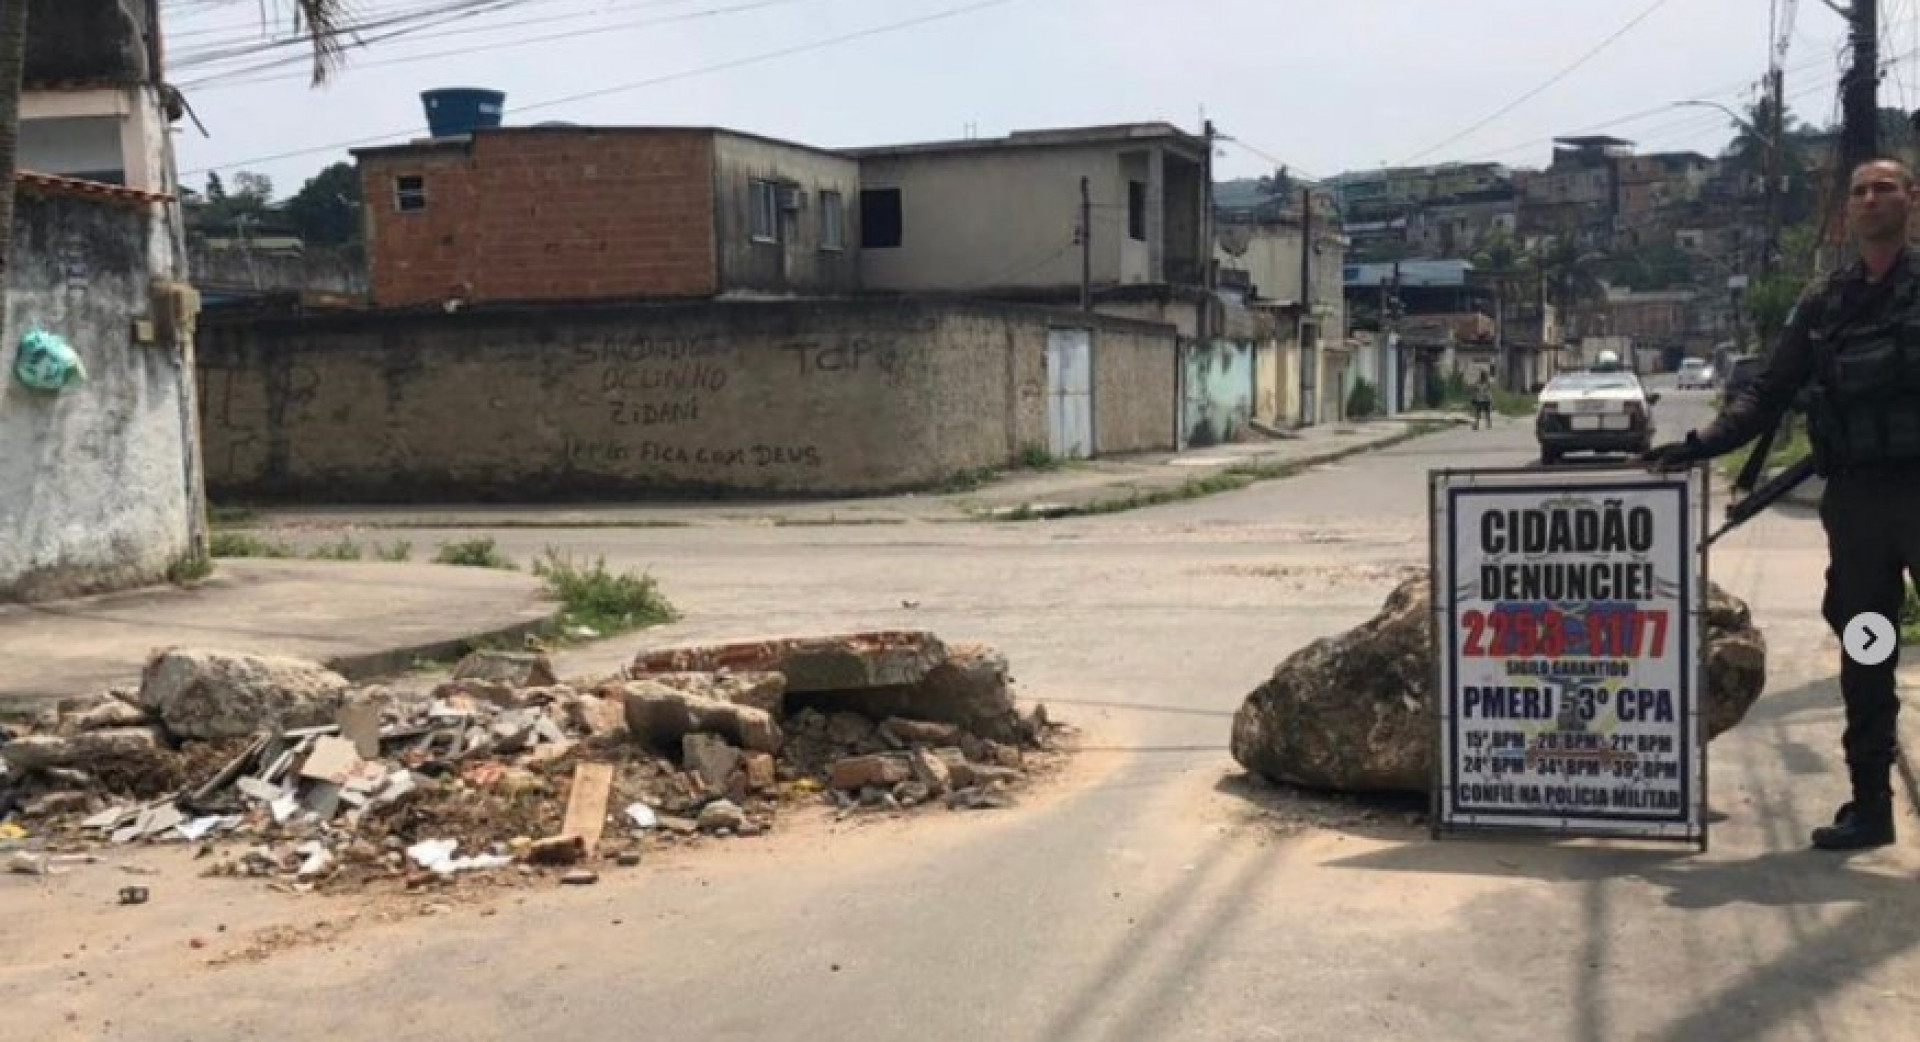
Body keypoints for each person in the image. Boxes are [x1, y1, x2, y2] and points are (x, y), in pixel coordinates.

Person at [1644, 158, 1920, 850]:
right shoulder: (1825, 303)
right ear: (1847, 212)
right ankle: (1870, 805)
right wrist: (1702, 443)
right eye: (1859, 190)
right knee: (1869, 651)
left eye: (1884, 187)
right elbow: (1766, 391)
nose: (1870, 198)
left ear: (1911, 200)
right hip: (1859, 510)